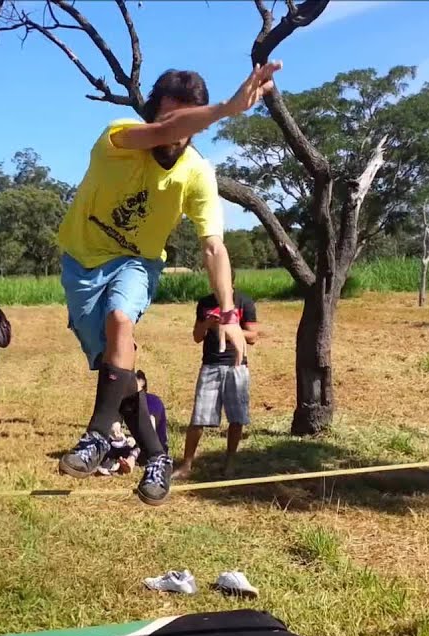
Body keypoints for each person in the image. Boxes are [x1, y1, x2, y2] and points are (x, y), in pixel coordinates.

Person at [54, 61, 281, 506]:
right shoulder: (118, 137)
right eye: (168, 119)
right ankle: (157, 457)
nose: (176, 132)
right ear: (152, 116)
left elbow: (214, 247)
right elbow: (162, 132)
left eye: (186, 123)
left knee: (122, 321)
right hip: (81, 266)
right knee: (114, 376)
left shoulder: (198, 173)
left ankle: (98, 435)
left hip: (137, 262)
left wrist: (230, 313)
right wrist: (228, 108)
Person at [174, 280, 260, 480]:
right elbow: (196, 336)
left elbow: (253, 336)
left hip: (236, 366)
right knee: (198, 418)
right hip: (210, 365)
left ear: (231, 284)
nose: (218, 288)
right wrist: (208, 324)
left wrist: (230, 330)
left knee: (236, 418)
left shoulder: (244, 302)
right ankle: (187, 465)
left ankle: (230, 463)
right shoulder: (205, 303)